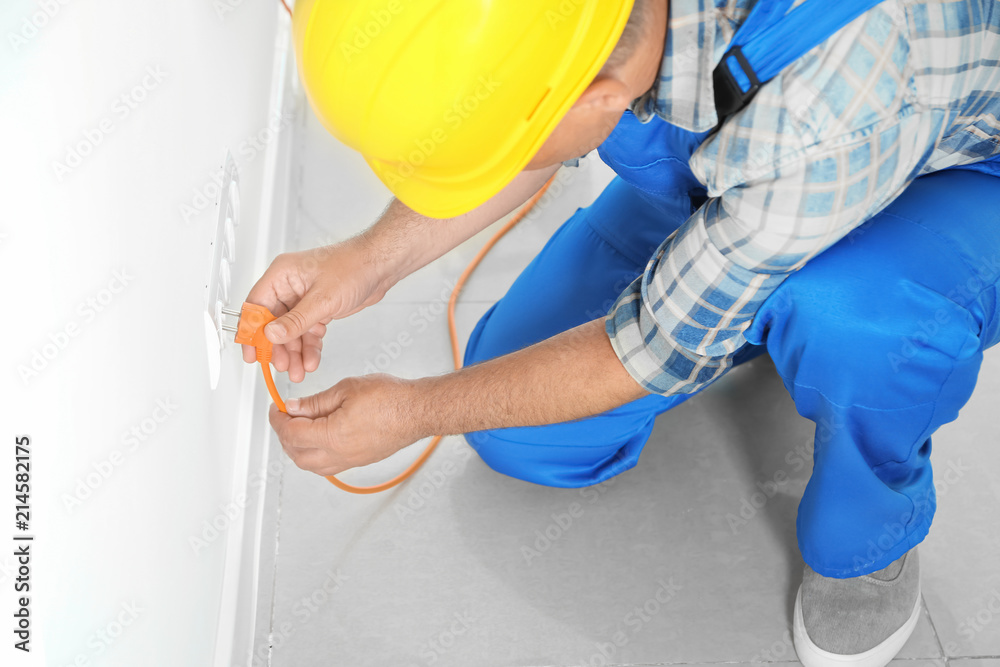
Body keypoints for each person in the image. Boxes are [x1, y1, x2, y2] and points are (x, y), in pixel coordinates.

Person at [242, 1, 1000, 664]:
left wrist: (409, 412)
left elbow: (635, 353)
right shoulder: (595, 31)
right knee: (520, 431)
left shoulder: (830, 102)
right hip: (755, 171)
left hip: (961, 173)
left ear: (601, 96)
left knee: (851, 317)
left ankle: (869, 539)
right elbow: (537, 110)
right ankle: (744, 283)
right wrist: (364, 261)